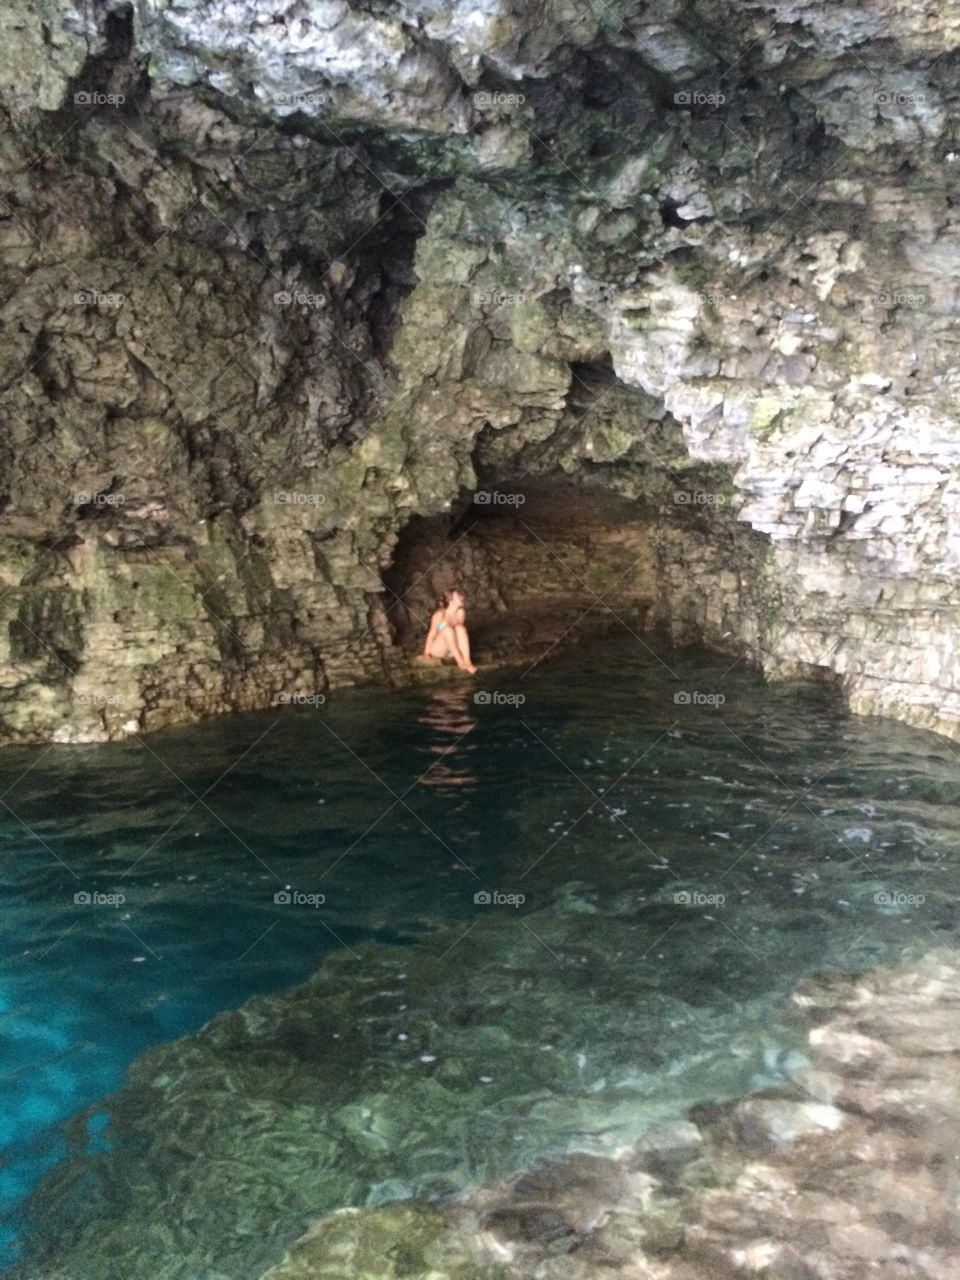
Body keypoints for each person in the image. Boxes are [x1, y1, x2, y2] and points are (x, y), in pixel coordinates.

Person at [419, 589, 477, 674]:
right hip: (439, 648)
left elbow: (459, 632)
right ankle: (460, 662)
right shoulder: (439, 615)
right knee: (447, 630)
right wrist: (426, 653)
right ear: (451, 601)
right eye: (458, 596)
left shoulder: (460, 612)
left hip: (452, 646)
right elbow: (433, 633)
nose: (462, 597)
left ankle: (468, 661)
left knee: (460, 628)